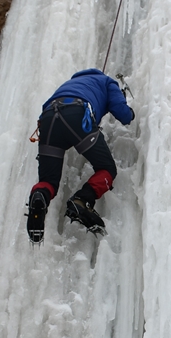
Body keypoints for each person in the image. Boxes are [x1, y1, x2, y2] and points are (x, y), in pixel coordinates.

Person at [26, 68, 134, 242]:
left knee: (48, 181)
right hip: (76, 114)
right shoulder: (107, 82)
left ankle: (39, 197)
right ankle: (82, 200)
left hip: (48, 120)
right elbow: (123, 114)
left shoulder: (69, 84)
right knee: (107, 168)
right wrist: (131, 113)